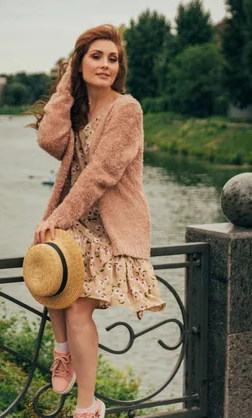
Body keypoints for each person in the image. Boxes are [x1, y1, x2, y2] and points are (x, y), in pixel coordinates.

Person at [30, 24, 166, 418]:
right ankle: (62, 352)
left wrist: (59, 216)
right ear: (80, 62)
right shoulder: (79, 109)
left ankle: (88, 406)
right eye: (96, 56)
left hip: (111, 225)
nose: (106, 64)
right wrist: (64, 88)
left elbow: (101, 174)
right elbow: (49, 141)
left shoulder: (127, 109)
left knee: (76, 309)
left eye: (113, 58)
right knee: (51, 272)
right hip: (75, 220)